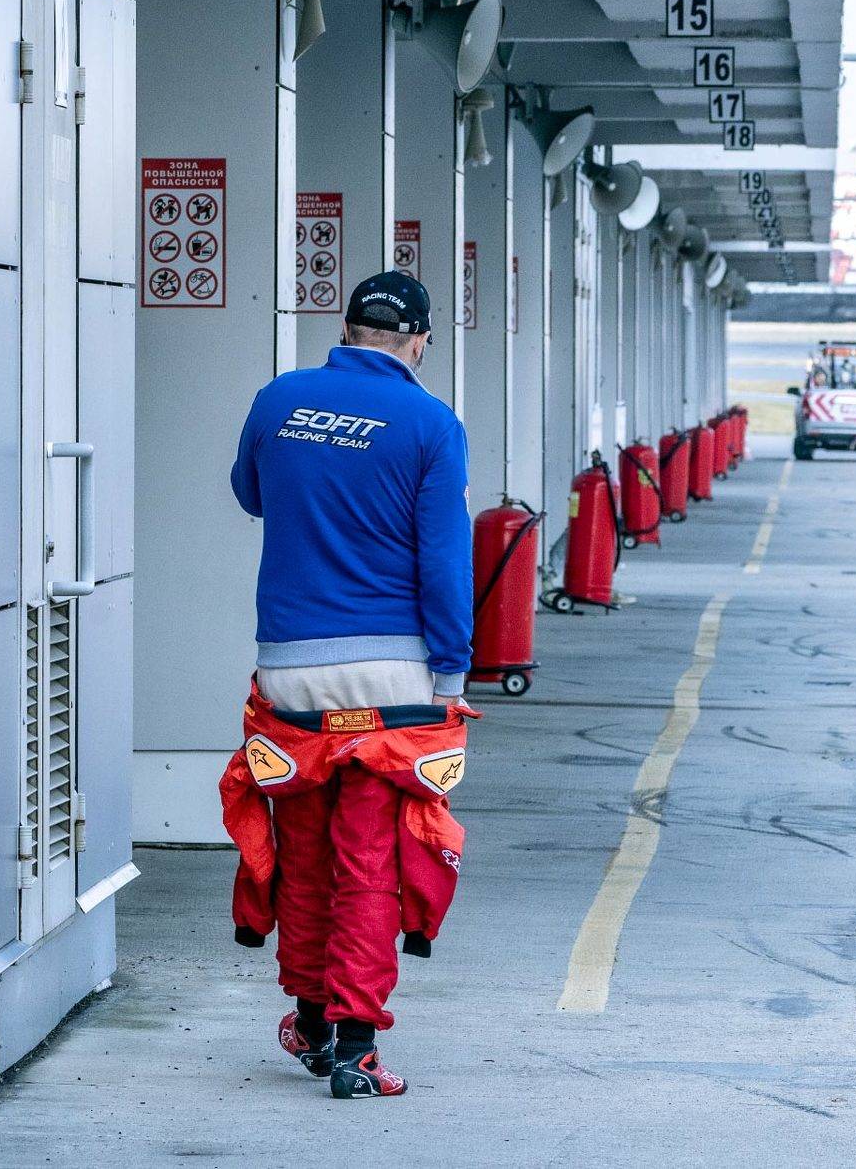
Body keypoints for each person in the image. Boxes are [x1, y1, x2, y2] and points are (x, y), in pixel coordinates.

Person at [226, 271, 474, 1100]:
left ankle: (310, 1020)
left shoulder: (279, 399)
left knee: (303, 851)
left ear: (344, 328)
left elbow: (250, 494)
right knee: (369, 861)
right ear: (420, 341)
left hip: (290, 669)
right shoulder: (432, 423)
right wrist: (450, 672)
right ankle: (357, 1048)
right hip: (392, 679)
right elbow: (444, 559)